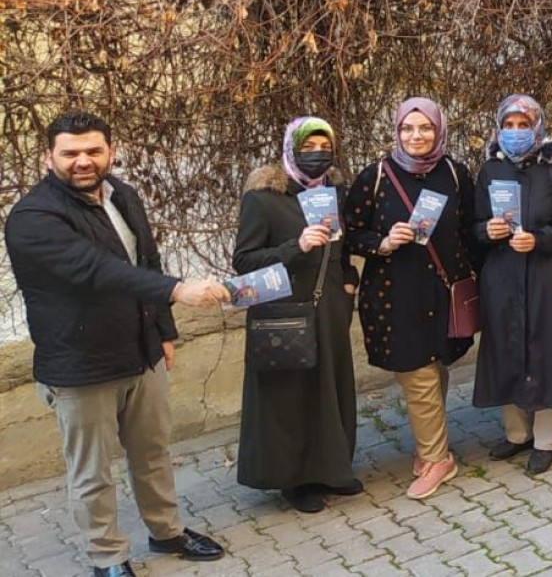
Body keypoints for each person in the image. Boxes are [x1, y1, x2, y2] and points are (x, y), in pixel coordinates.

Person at [5, 112, 229, 577]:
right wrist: (178, 290)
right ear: (48, 157)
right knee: (92, 471)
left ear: (110, 151)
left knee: (153, 453)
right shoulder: (32, 218)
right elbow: (96, 270)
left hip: (141, 353)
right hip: (80, 365)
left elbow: (147, 260)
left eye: (93, 150)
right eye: (70, 153)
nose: (83, 161)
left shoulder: (122, 195)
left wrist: (163, 331)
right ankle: (107, 557)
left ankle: (166, 532)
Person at [344, 97, 478, 500]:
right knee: (417, 373)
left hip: (442, 288)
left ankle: (429, 444)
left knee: (435, 365)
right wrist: (383, 242)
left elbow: (469, 229)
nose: (416, 136)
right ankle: (438, 458)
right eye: (407, 128)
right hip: (395, 293)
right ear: (397, 131)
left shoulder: (454, 173)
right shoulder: (376, 177)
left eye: (425, 128)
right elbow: (350, 234)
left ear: (439, 130)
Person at [231, 116, 358, 512]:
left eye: (324, 148)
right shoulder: (264, 198)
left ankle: (331, 469)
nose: (317, 155)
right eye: (308, 147)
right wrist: (295, 246)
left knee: (329, 387)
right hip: (284, 310)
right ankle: (294, 481)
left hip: (329, 306)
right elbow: (244, 261)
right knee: (292, 395)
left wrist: (349, 279)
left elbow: (342, 247)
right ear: (290, 149)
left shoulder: (334, 192)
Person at [472, 94, 552, 475]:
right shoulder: (490, 170)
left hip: (547, 275)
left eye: (524, 125)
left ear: (537, 127)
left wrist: (539, 239)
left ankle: (548, 438)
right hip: (503, 276)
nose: (516, 132)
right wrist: (487, 231)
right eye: (509, 125)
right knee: (508, 346)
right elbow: (474, 226)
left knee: (548, 349)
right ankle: (517, 432)